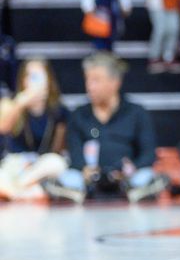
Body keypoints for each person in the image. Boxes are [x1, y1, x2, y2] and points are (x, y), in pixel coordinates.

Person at [43, 53, 167, 204]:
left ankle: (136, 191)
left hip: (127, 177)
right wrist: (84, 169)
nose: (90, 86)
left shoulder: (136, 113)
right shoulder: (79, 114)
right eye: (87, 79)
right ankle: (75, 192)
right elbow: (74, 151)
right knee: (69, 178)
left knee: (145, 176)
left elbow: (148, 153)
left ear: (115, 82)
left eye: (96, 80)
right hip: (88, 178)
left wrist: (131, 169)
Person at [0, 58, 66, 200]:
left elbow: (57, 148)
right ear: (23, 80)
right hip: (15, 163)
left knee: (57, 163)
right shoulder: (11, 103)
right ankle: (24, 192)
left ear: (48, 80)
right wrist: (21, 103)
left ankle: (17, 191)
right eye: (31, 76)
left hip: (40, 166)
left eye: (40, 76)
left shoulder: (57, 110)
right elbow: (3, 127)